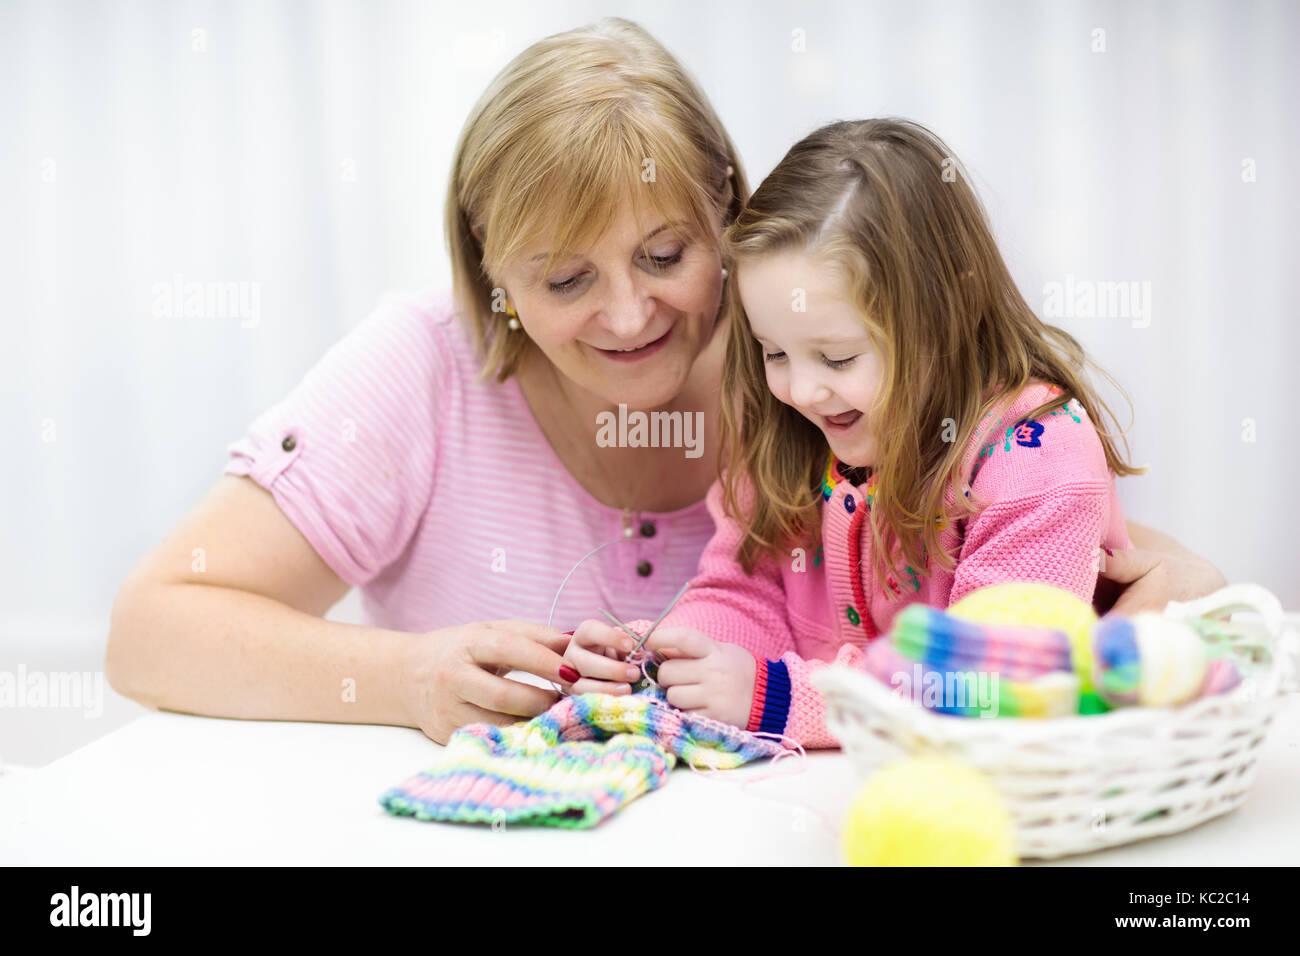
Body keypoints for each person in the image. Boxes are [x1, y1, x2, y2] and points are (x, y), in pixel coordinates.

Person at [106, 21, 1225, 746]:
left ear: (728, 222)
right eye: (562, 277)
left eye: (664, 255)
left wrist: (1173, 585)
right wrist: (409, 678)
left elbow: (1006, 558)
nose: (632, 315)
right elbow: (152, 628)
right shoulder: (416, 369)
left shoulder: (791, 372)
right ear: (488, 270)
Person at [560, 118, 1161, 747]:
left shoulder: (1037, 453)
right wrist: (669, 661)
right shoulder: (788, 428)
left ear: (942, 320)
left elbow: (987, 684)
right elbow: (745, 592)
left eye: (839, 358)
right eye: (774, 353)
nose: (800, 392)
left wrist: (774, 697)